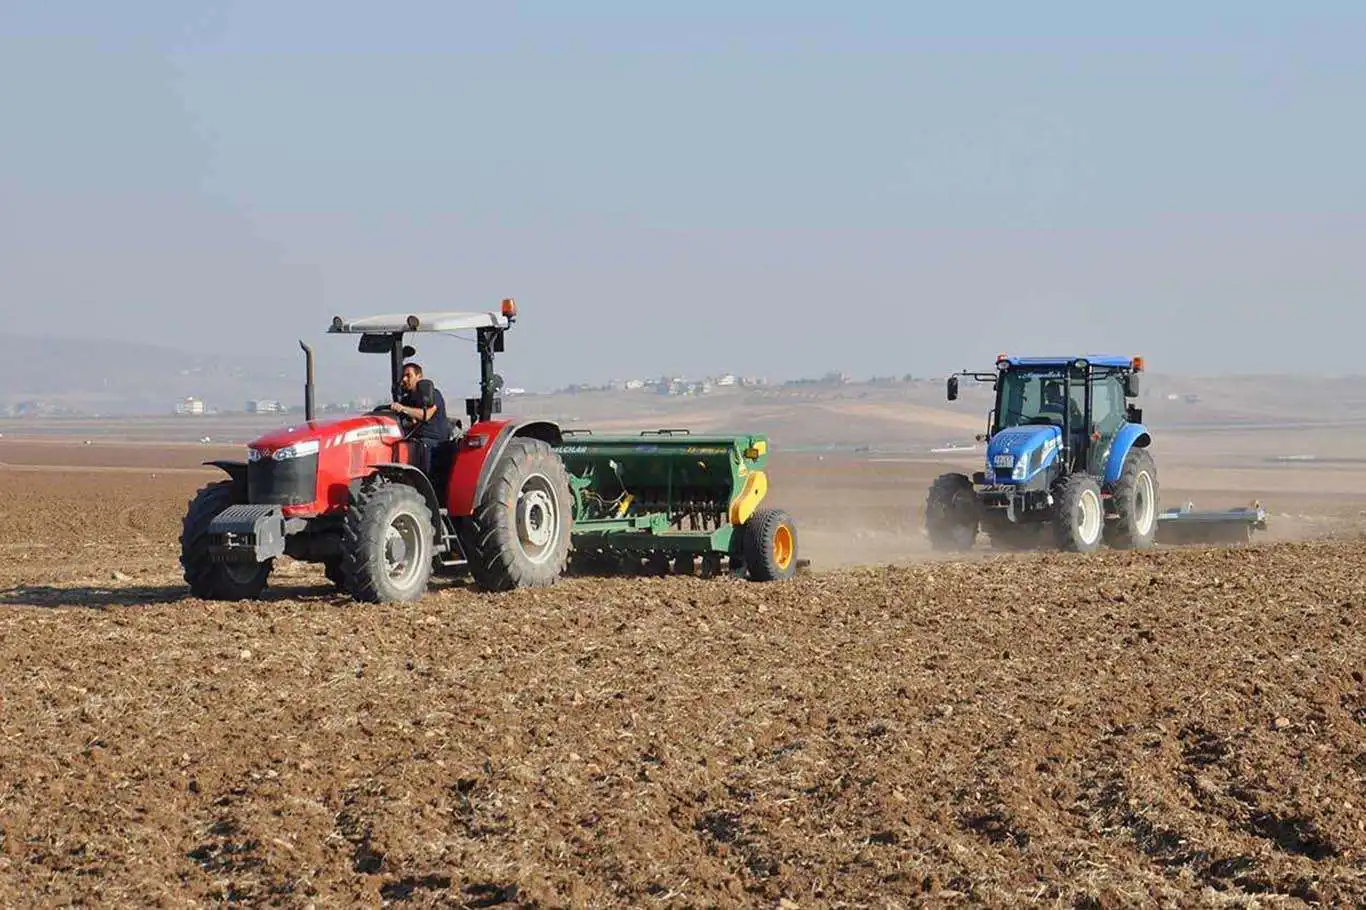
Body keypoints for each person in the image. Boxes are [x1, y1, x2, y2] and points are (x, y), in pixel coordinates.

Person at [391, 362, 450, 477]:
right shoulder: (408, 399)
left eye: (409, 375)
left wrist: (403, 409)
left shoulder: (433, 394)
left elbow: (426, 415)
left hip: (434, 443)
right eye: (403, 376)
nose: (404, 379)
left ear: (419, 377)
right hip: (414, 440)